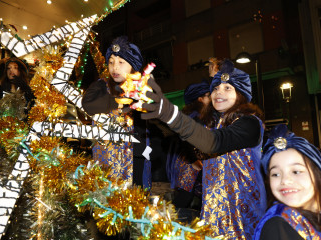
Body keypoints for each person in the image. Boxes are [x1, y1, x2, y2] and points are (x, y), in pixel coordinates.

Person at [141, 59, 267, 238]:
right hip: (213, 213)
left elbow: (213, 142)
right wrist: (156, 109)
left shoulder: (249, 123)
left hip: (240, 216)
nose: (218, 92)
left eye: (227, 88)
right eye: (215, 88)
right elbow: (190, 134)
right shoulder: (215, 125)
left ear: (241, 94)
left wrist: (169, 112)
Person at [82, 36, 151, 189]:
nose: (115, 67)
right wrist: (118, 101)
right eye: (111, 62)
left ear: (133, 67)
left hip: (135, 156)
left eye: (121, 63)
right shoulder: (101, 85)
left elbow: (145, 122)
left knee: (135, 197)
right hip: (106, 157)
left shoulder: (140, 89)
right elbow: (88, 104)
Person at [254, 124, 321, 240]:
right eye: (276, 174)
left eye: (296, 171)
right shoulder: (279, 226)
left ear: (317, 173)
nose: (285, 180)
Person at [167, 80, 211, 210]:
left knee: (193, 196)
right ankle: (167, 223)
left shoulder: (194, 116)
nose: (211, 99)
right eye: (208, 96)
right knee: (185, 196)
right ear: (200, 99)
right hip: (189, 164)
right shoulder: (194, 117)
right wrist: (193, 160)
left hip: (191, 162)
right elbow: (185, 139)